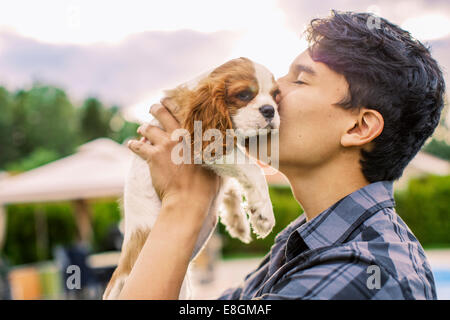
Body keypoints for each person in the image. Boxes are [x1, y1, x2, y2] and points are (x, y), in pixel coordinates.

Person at [120, 11, 445, 299]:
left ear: (359, 127)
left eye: (299, 80)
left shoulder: (360, 272)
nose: (274, 94)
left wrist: (183, 206)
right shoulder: (305, 240)